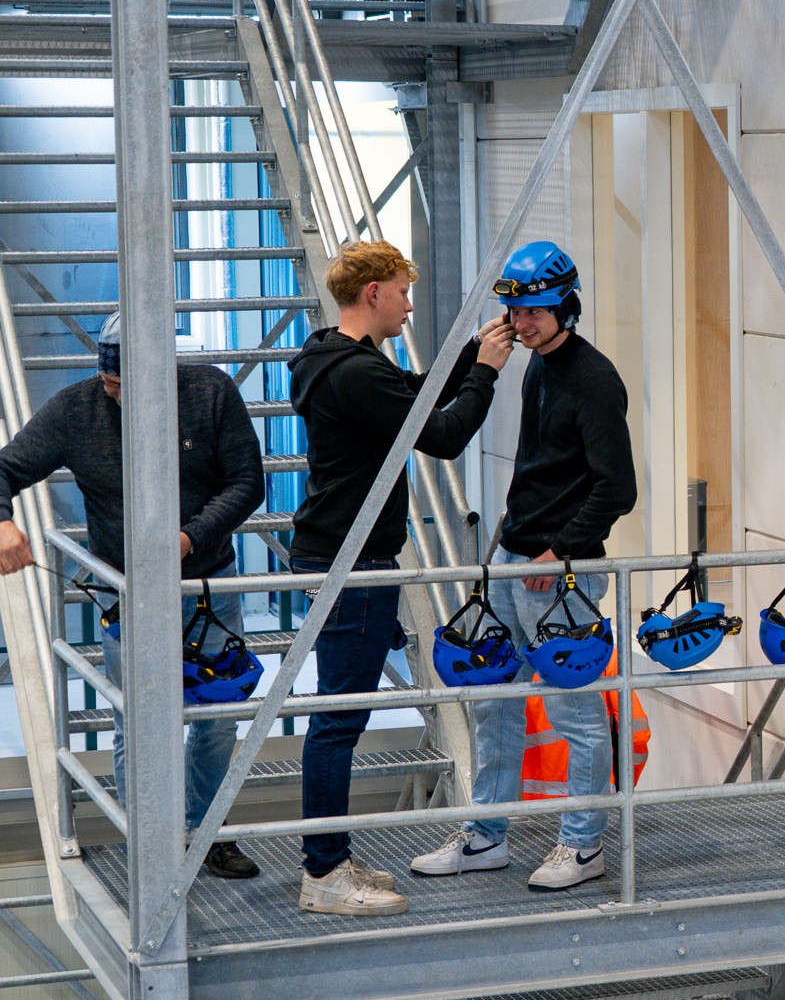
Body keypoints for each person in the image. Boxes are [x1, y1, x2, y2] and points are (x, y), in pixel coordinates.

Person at [289, 240, 515, 916]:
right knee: (339, 720)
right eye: (402, 292)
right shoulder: (357, 373)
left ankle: (330, 857)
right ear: (373, 294)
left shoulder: (332, 357)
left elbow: (413, 395)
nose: (409, 306)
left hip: (339, 554)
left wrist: (468, 356)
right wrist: (486, 374)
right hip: (352, 562)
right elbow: (441, 434)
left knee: (338, 715)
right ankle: (324, 873)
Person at [0, 314, 264, 879]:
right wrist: (1, 522)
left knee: (218, 718)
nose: (114, 395)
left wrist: (188, 538)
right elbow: (3, 470)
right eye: (108, 383)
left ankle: (204, 833)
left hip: (206, 587)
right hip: (126, 595)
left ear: (163, 374)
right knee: (138, 724)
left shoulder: (211, 393)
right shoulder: (77, 409)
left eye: (126, 386)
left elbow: (248, 483)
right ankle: (154, 849)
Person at [411, 241, 636, 891]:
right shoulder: (538, 365)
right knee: (495, 703)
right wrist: (510, 550)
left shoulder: (594, 379)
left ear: (566, 307)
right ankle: (486, 834)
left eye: (534, 311)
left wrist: (560, 551)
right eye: (514, 311)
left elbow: (617, 488)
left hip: (560, 572)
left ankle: (583, 846)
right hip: (514, 559)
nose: (521, 323)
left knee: (575, 714)